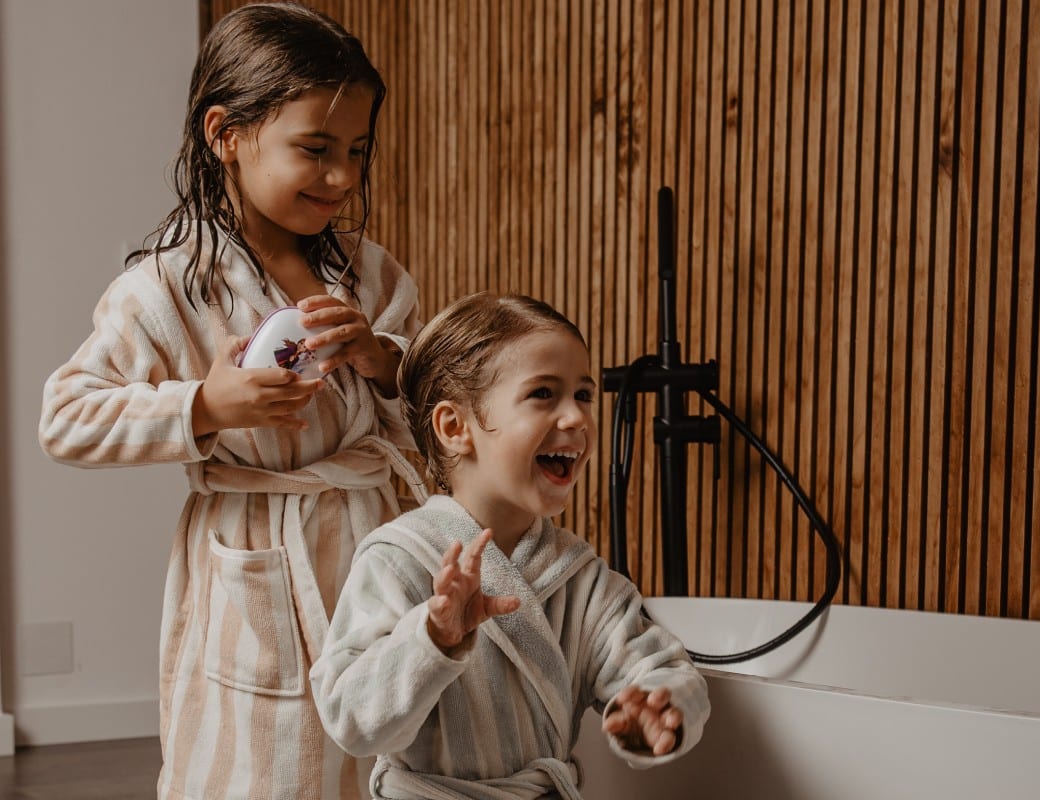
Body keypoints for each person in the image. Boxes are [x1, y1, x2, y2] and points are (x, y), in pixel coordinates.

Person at [38, 4, 425, 798]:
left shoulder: (370, 273)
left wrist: (380, 358)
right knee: (263, 761)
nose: (343, 177)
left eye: (356, 151)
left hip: (377, 544)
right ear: (226, 134)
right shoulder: (167, 287)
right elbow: (66, 418)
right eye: (315, 150)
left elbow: (436, 399)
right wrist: (203, 407)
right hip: (259, 562)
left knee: (387, 747)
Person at [310, 292, 711, 800]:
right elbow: (351, 721)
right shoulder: (398, 558)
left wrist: (660, 704)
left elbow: (662, 668)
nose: (576, 419)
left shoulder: (580, 577)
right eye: (544, 393)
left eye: (583, 395)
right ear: (456, 428)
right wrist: (432, 639)